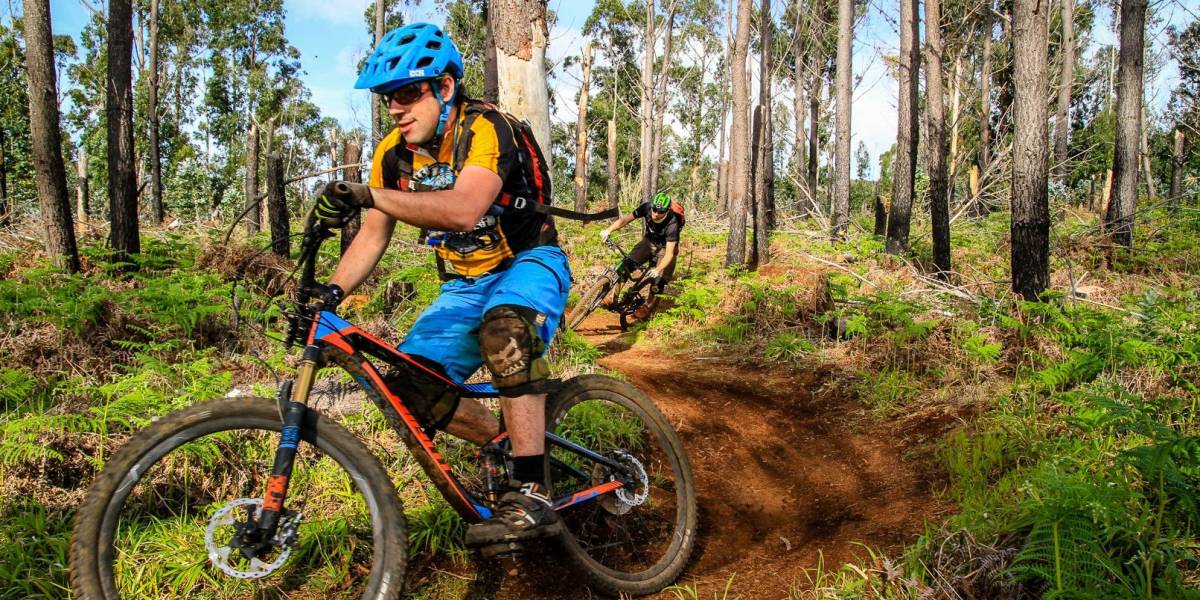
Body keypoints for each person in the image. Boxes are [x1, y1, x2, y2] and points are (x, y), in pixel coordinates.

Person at [312, 23, 567, 549]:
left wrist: (368, 195)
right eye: (387, 98)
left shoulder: (486, 128)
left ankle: (533, 489)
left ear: (445, 87)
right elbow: (373, 236)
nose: (395, 108)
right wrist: (330, 293)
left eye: (408, 93)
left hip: (529, 262)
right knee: (408, 389)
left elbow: (465, 208)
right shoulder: (392, 155)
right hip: (462, 286)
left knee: (505, 330)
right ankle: (509, 443)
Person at [598, 192, 682, 318]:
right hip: (649, 242)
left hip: (666, 248)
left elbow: (669, 254)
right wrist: (608, 230)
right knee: (625, 266)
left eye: (661, 211)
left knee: (658, 281)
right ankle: (612, 297)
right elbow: (625, 220)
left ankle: (647, 306)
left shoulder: (672, 224)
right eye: (654, 209)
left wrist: (658, 269)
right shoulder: (647, 207)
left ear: (667, 210)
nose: (656, 214)